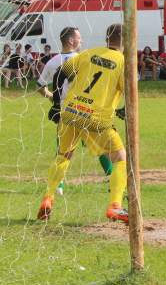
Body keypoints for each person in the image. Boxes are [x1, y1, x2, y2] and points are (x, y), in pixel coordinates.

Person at [36, 24, 129, 223]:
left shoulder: (88, 53)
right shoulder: (122, 62)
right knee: (119, 156)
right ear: (127, 40)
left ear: (107, 38)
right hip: (95, 118)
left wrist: (57, 102)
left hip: (70, 112)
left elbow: (62, 72)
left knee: (63, 155)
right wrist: (124, 111)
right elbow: (129, 92)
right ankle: (115, 206)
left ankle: (48, 198)